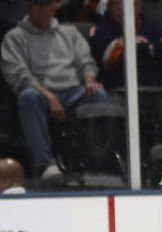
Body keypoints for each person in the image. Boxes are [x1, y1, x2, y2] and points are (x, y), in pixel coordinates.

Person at [1, 0, 108, 183]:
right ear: (28, 7)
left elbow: (85, 62)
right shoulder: (15, 37)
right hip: (39, 92)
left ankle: (97, 162)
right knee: (27, 97)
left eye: (46, 4)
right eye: (36, 5)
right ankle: (45, 164)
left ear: (55, 6)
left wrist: (90, 80)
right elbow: (18, 76)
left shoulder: (69, 33)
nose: (41, 9)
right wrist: (49, 96)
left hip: (73, 91)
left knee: (99, 94)